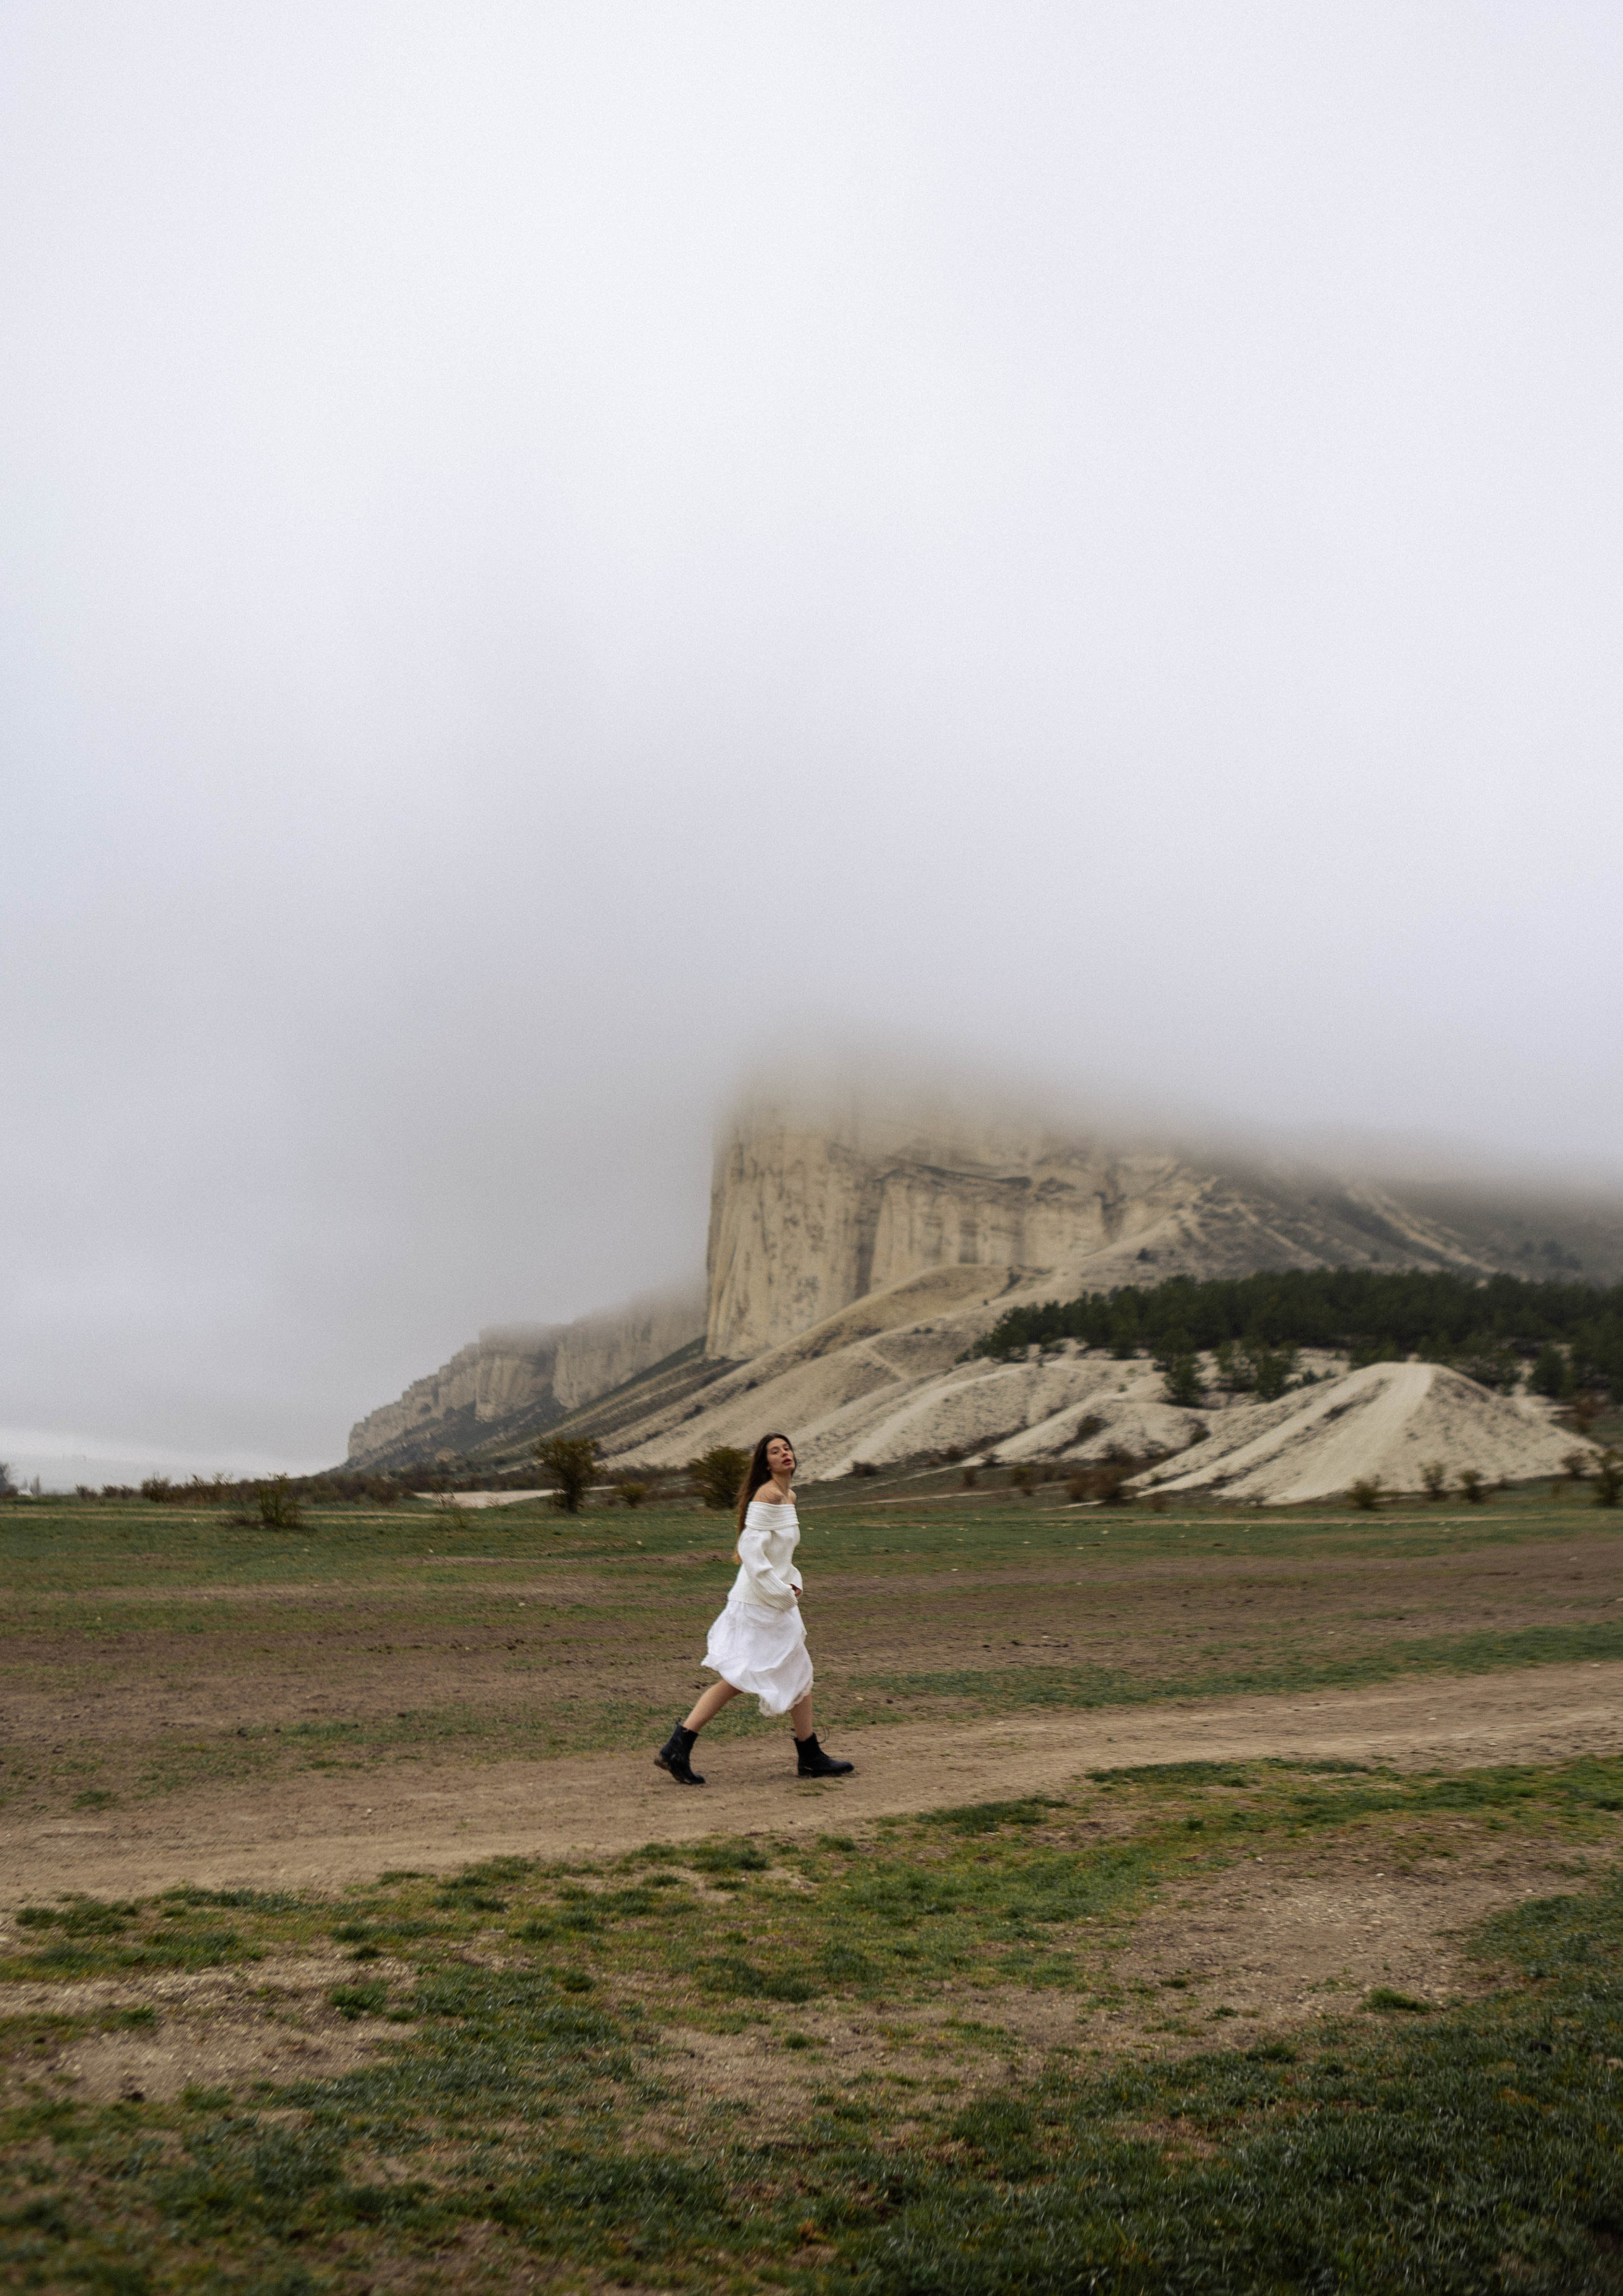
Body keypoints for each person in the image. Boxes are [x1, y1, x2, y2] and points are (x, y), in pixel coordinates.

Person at [656, 1431, 853, 1786]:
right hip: (759, 1603)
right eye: (775, 1452)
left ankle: (810, 1755)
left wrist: (792, 1583)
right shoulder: (769, 1495)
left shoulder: (788, 1495)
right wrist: (780, 1592)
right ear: (766, 1463)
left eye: (787, 1448)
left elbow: (780, 1555)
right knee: (739, 1678)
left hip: (776, 1600)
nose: (784, 1454)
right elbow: (751, 1550)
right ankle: (677, 1746)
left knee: (798, 1671)